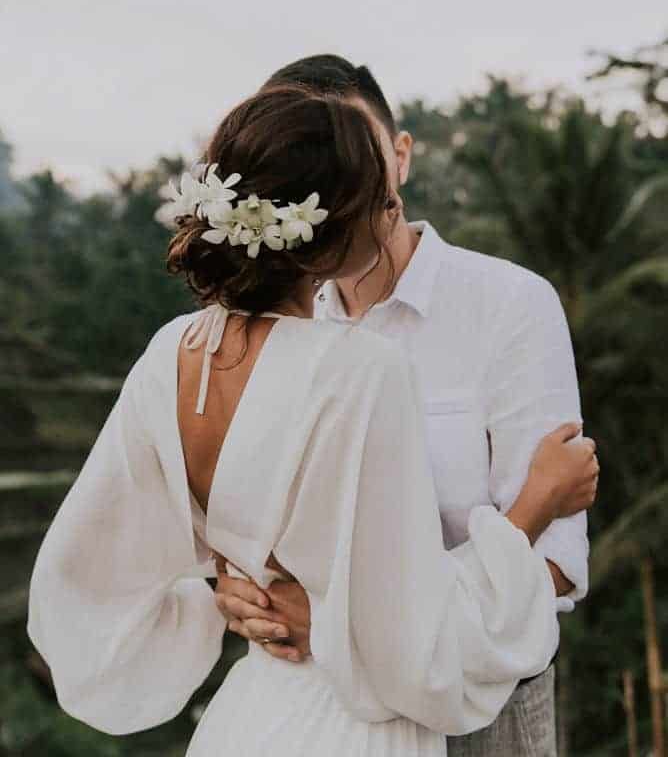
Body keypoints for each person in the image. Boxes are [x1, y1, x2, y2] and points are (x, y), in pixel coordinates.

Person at [27, 84, 598, 756]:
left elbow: (89, 576)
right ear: (328, 238)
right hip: (361, 729)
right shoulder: (362, 369)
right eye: (379, 201)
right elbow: (422, 641)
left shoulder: (174, 355)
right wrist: (539, 501)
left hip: (250, 720)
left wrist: (239, 594)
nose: (396, 210)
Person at [214, 55, 591, 756]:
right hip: (320, 714)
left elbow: (555, 566)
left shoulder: (510, 305)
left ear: (399, 157)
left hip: (482, 711)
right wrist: (233, 586)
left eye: (354, 156)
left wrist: (331, 620)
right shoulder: (268, 333)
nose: (337, 187)